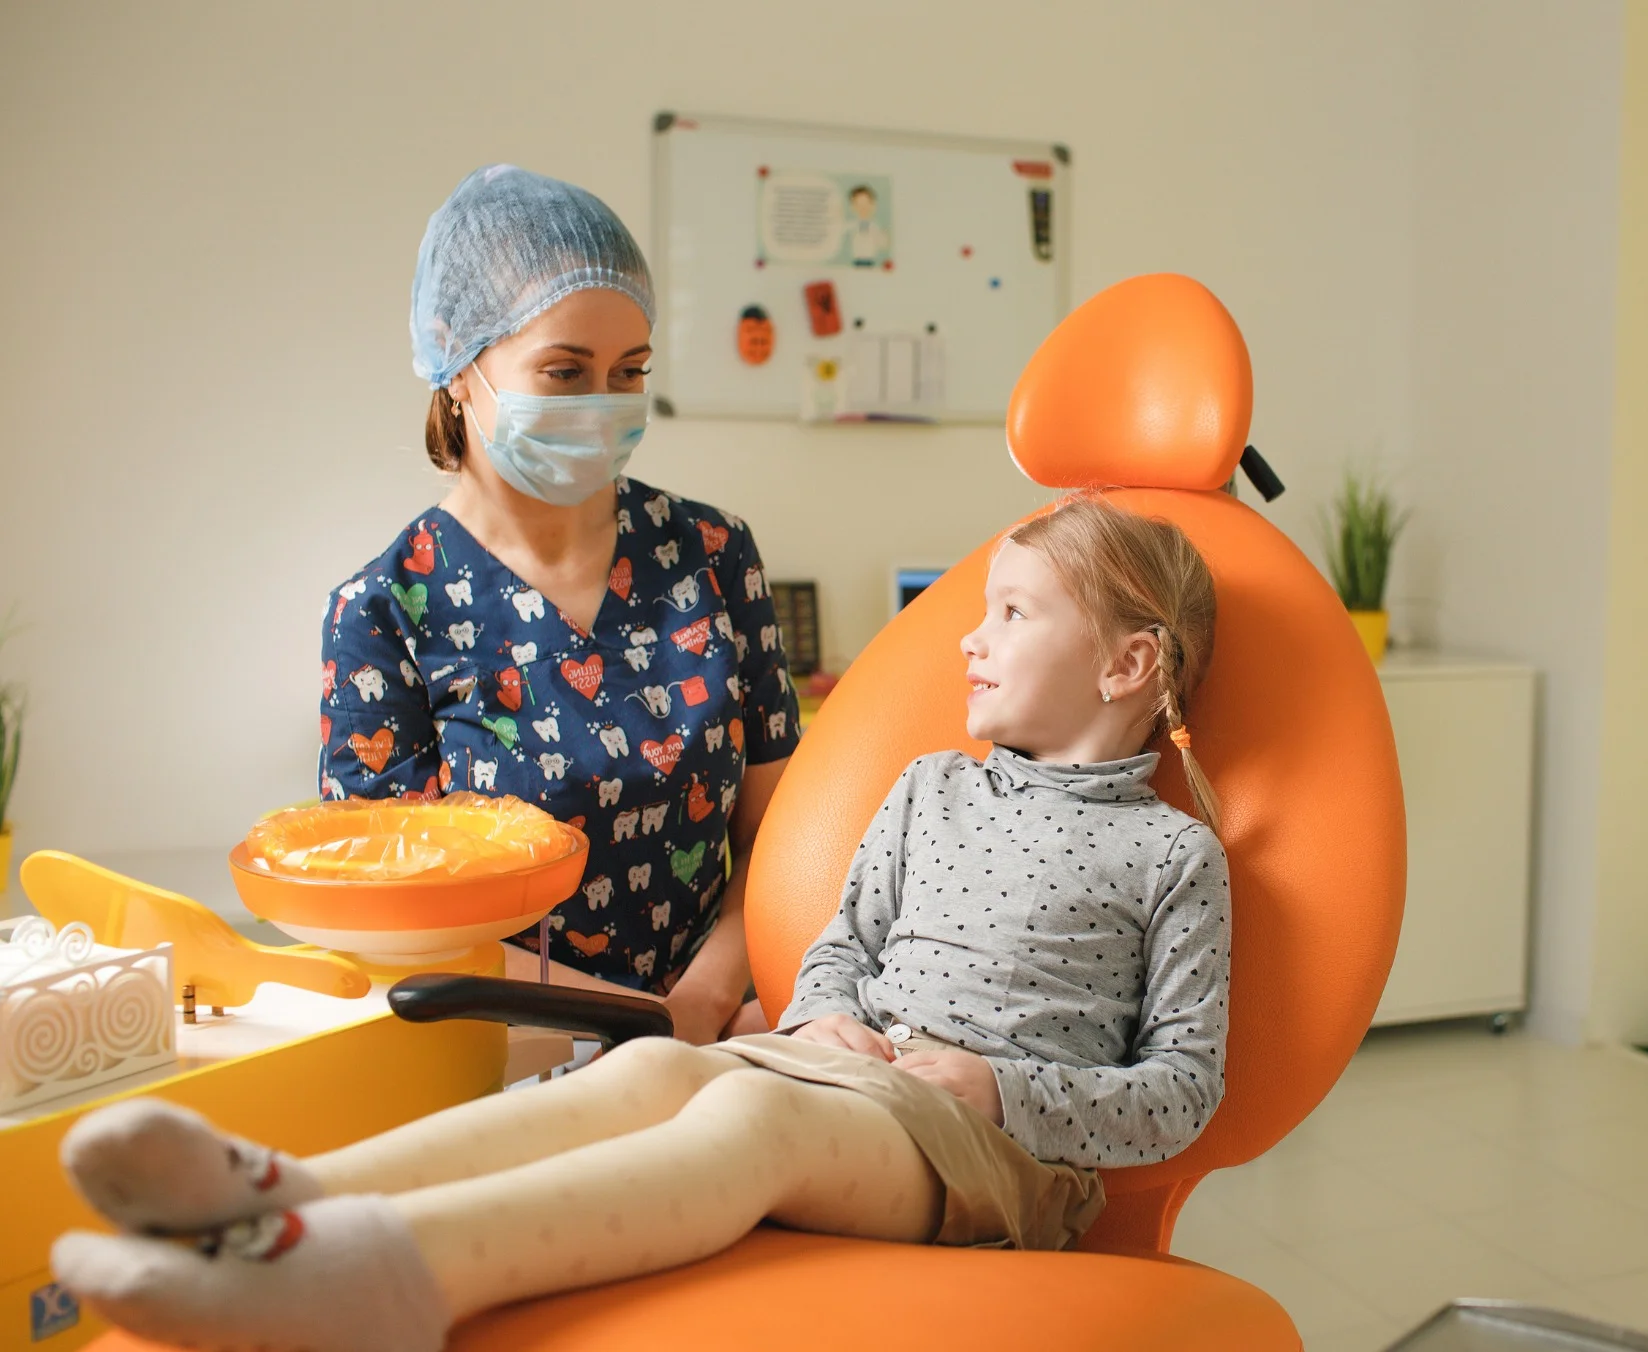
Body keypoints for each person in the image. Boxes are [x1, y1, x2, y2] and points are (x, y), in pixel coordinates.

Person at [52, 496, 1232, 1352]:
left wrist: (995, 1086)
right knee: (663, 1062)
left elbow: (1181, 1087)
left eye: (1011, 612)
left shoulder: (1170, 855)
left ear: (1130, 661)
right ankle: (281, 1195)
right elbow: (842, 946)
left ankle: (392, 1279)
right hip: (840, 1076)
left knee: (746, 1108)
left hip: (995, 1164)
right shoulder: (932, 784)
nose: (966, 636)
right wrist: (821, 1012)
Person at [318, 165, 800, 1039]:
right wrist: (644, 1022)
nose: (603, 405)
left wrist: (707, 1001)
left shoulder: (714, 555)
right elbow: (396, 915)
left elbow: (781, 833)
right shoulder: (385, 613)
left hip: (732, 1025)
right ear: (460, 365)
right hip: (509, 1043)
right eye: (565, 370)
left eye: (629, 372)